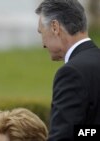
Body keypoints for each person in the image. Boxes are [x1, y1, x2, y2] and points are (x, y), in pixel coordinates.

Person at [35, 0, 100, 140]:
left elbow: (64, 135)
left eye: (41, 33)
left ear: (55, 27)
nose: (43, 44)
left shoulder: (71, 73)